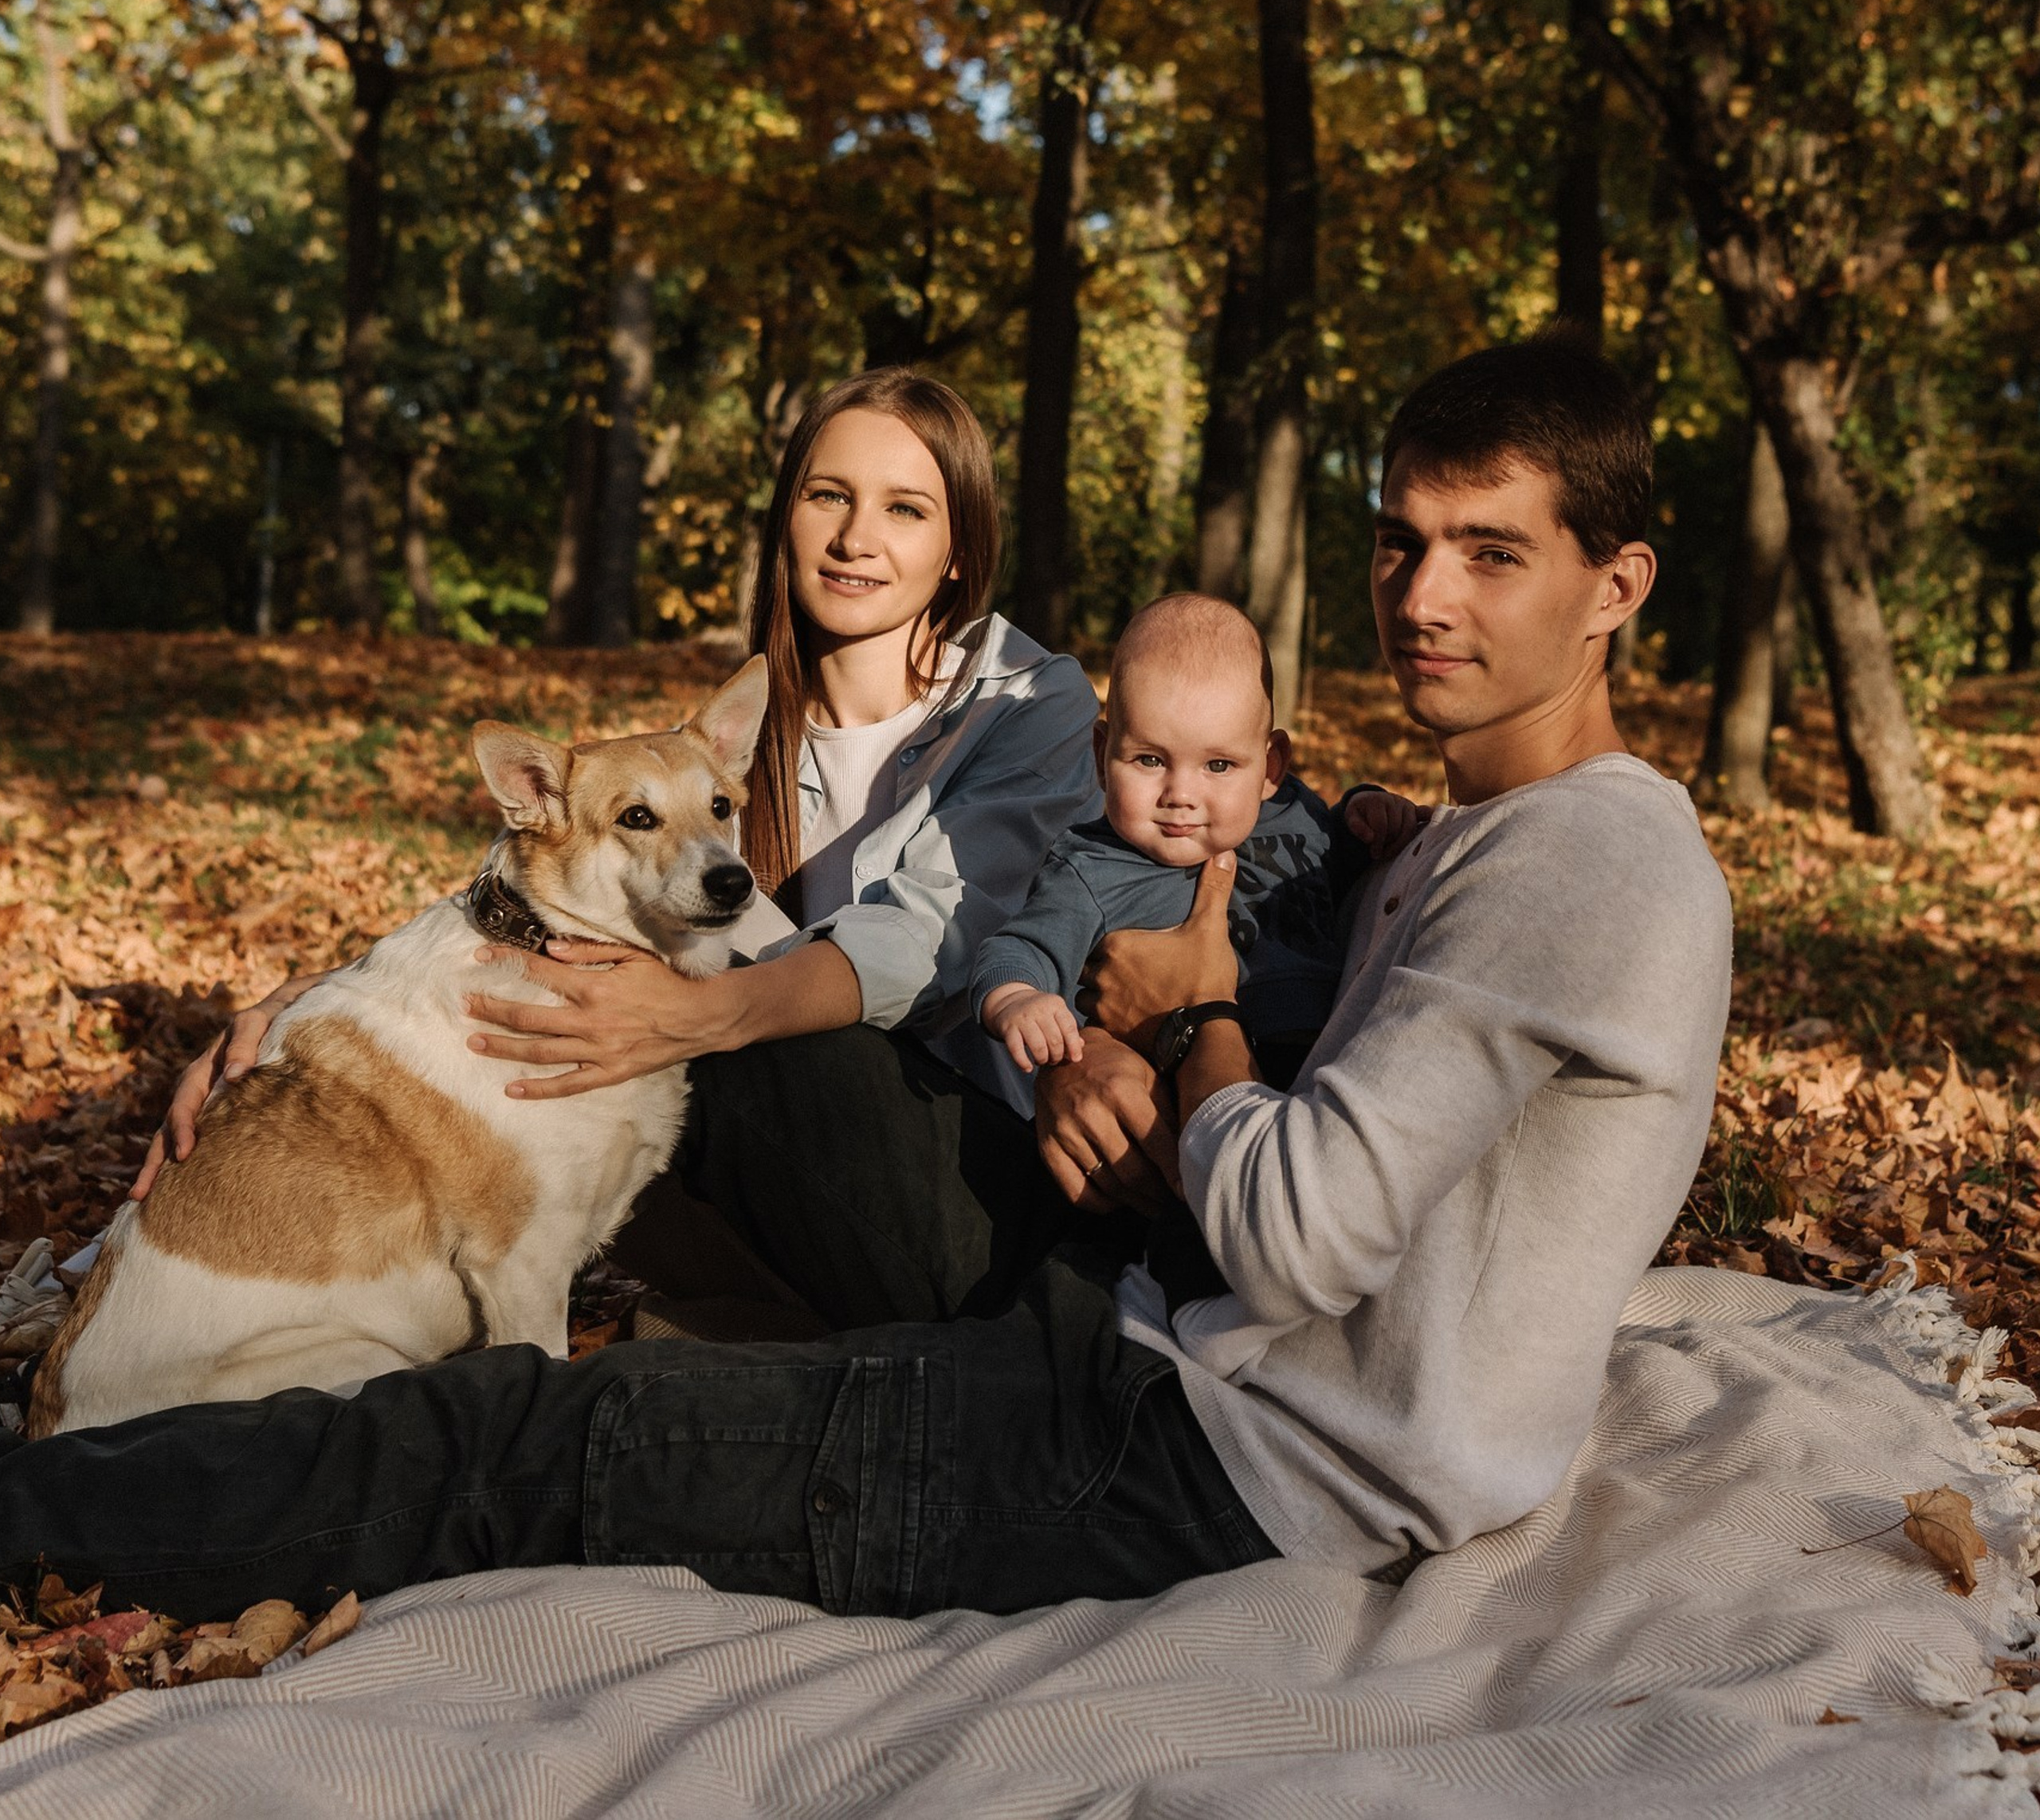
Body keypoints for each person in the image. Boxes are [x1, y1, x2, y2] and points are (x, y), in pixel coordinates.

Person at [0, 335, 1732, 1626]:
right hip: (1146, 1330)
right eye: (1399, 539)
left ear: (1615, 587)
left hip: (1196, 1455)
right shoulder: (1469, 836)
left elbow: (1303, 1222)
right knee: (581, 1342)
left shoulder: (1587, 856)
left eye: (1489, 552)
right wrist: (316, 1017)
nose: (1421, 593)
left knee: (520, 1444)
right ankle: (141, 1322)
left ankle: (37, 1504)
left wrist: (1192, 1014)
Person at [131, 364, 1100, 1214]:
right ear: (787, 520)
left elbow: (928, 939)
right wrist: (308, 1015)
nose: (855, 537)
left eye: (904, 508)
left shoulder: (1029, 700)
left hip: (971, 1159)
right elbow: (545, 913)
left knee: (728, 1034)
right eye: (827, 496)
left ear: (959, 548)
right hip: (781, 1160)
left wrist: (706, 1013)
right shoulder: (731, 738)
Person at [972, 591, 1420, 1083]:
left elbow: (1349, 854)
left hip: (1336, 1064)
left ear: (1270, 768)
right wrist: (1017, 998)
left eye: (1219, 765)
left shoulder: (1293, 813)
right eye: (1150, 760)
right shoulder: (1093, 870)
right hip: (1189, 1087)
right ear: (1103, 756)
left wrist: (1370, 808)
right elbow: (1020, 948)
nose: (1181, 795)